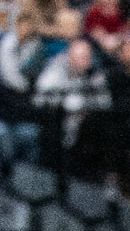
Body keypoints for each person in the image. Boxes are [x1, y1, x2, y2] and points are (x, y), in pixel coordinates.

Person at [33, 32, 114, 173]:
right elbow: (39, 100)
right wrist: (68, 105)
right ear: (70, 57)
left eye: (88, 57)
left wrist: (85, 109)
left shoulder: (95, 73)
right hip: (57, 121)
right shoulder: (54, 70)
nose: (86, 61)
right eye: (82, 58)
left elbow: (105, 102)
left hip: (86, 124)